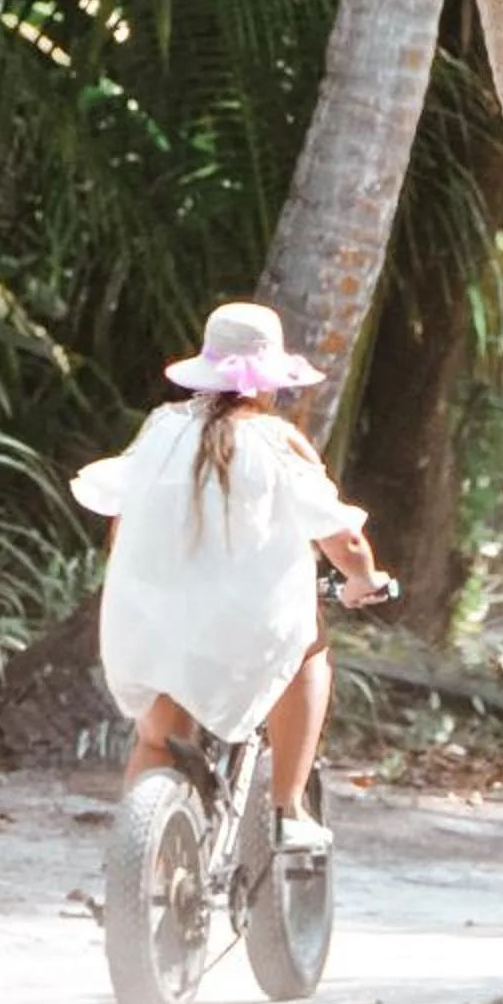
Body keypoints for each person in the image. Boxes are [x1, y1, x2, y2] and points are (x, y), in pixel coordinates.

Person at [69, 301, 395, 852]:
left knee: (158, 743)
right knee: (308, 647)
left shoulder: (160, 431)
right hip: (244, 630)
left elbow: (123, 518)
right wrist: (364, 579)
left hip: (145, 624)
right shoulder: (275, 442)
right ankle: (288, 808)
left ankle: (134, 862)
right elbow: (344, 539)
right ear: (269, 384)